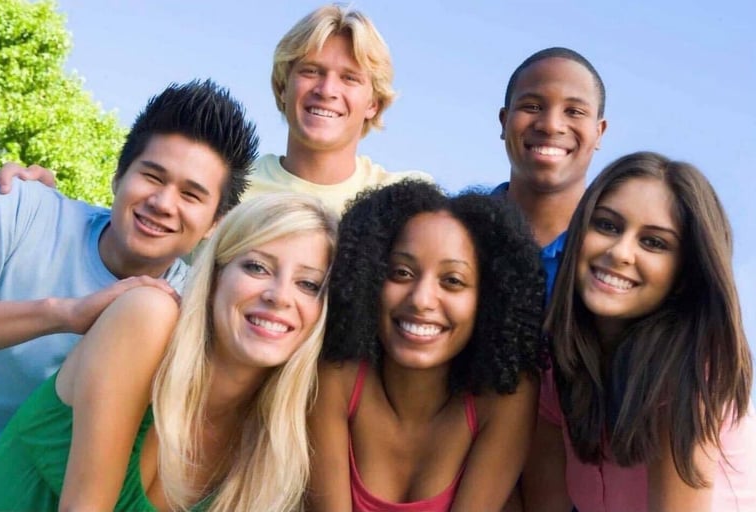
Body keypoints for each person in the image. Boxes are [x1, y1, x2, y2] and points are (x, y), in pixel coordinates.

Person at [0, 193, 338, 511]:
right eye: (257, 267)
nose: (279, 296)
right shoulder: (147, 317)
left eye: (309, 284)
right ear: (215, 276)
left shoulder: (283, 436)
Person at [0, 79, 258, 451]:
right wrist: (66, 313)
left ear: (215, 224)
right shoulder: (22, 207)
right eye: (152, 177)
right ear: (119, 176)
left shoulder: (196, 309)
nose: (163, 203)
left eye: (191, 195)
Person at [522, 151, 756, 511]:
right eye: (607, 226)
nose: (620, 252)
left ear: (685, 274)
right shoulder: (558, 366)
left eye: (654, 243)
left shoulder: (691, 375)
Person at [308, 180, 547, 511]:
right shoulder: (335, 376)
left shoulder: (505, 398)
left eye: (452, 281)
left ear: (489, 300)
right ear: (369, 278)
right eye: (402, 273)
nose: (421, 299)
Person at [246, 3, 431, 215]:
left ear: (373, 104)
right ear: (283, 87)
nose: (327, 91)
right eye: (311, 71)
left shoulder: (406, 203)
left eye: (349, 78)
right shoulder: (231, 189)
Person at [493, 47, 607, 296]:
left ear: (599, 133)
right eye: (532, 107)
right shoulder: (452, 231)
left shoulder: (613, 256)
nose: (551, 126)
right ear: (504, 121)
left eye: (574, 111)